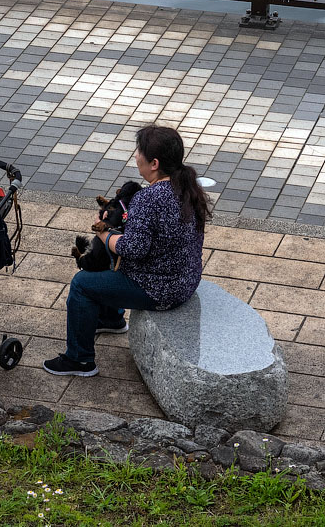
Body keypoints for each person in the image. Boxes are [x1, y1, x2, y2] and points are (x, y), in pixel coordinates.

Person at [43, 124, 212, 376]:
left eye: (138, 151)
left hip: (159, 289)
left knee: (82, 283)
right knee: (111, 254)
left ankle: (79, 359)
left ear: (154, 163)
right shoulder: (188, 188)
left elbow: (133, 248)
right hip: (185, 281)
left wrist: (104, 233)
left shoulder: (148, 198)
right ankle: (110, 319)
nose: (135, 155)